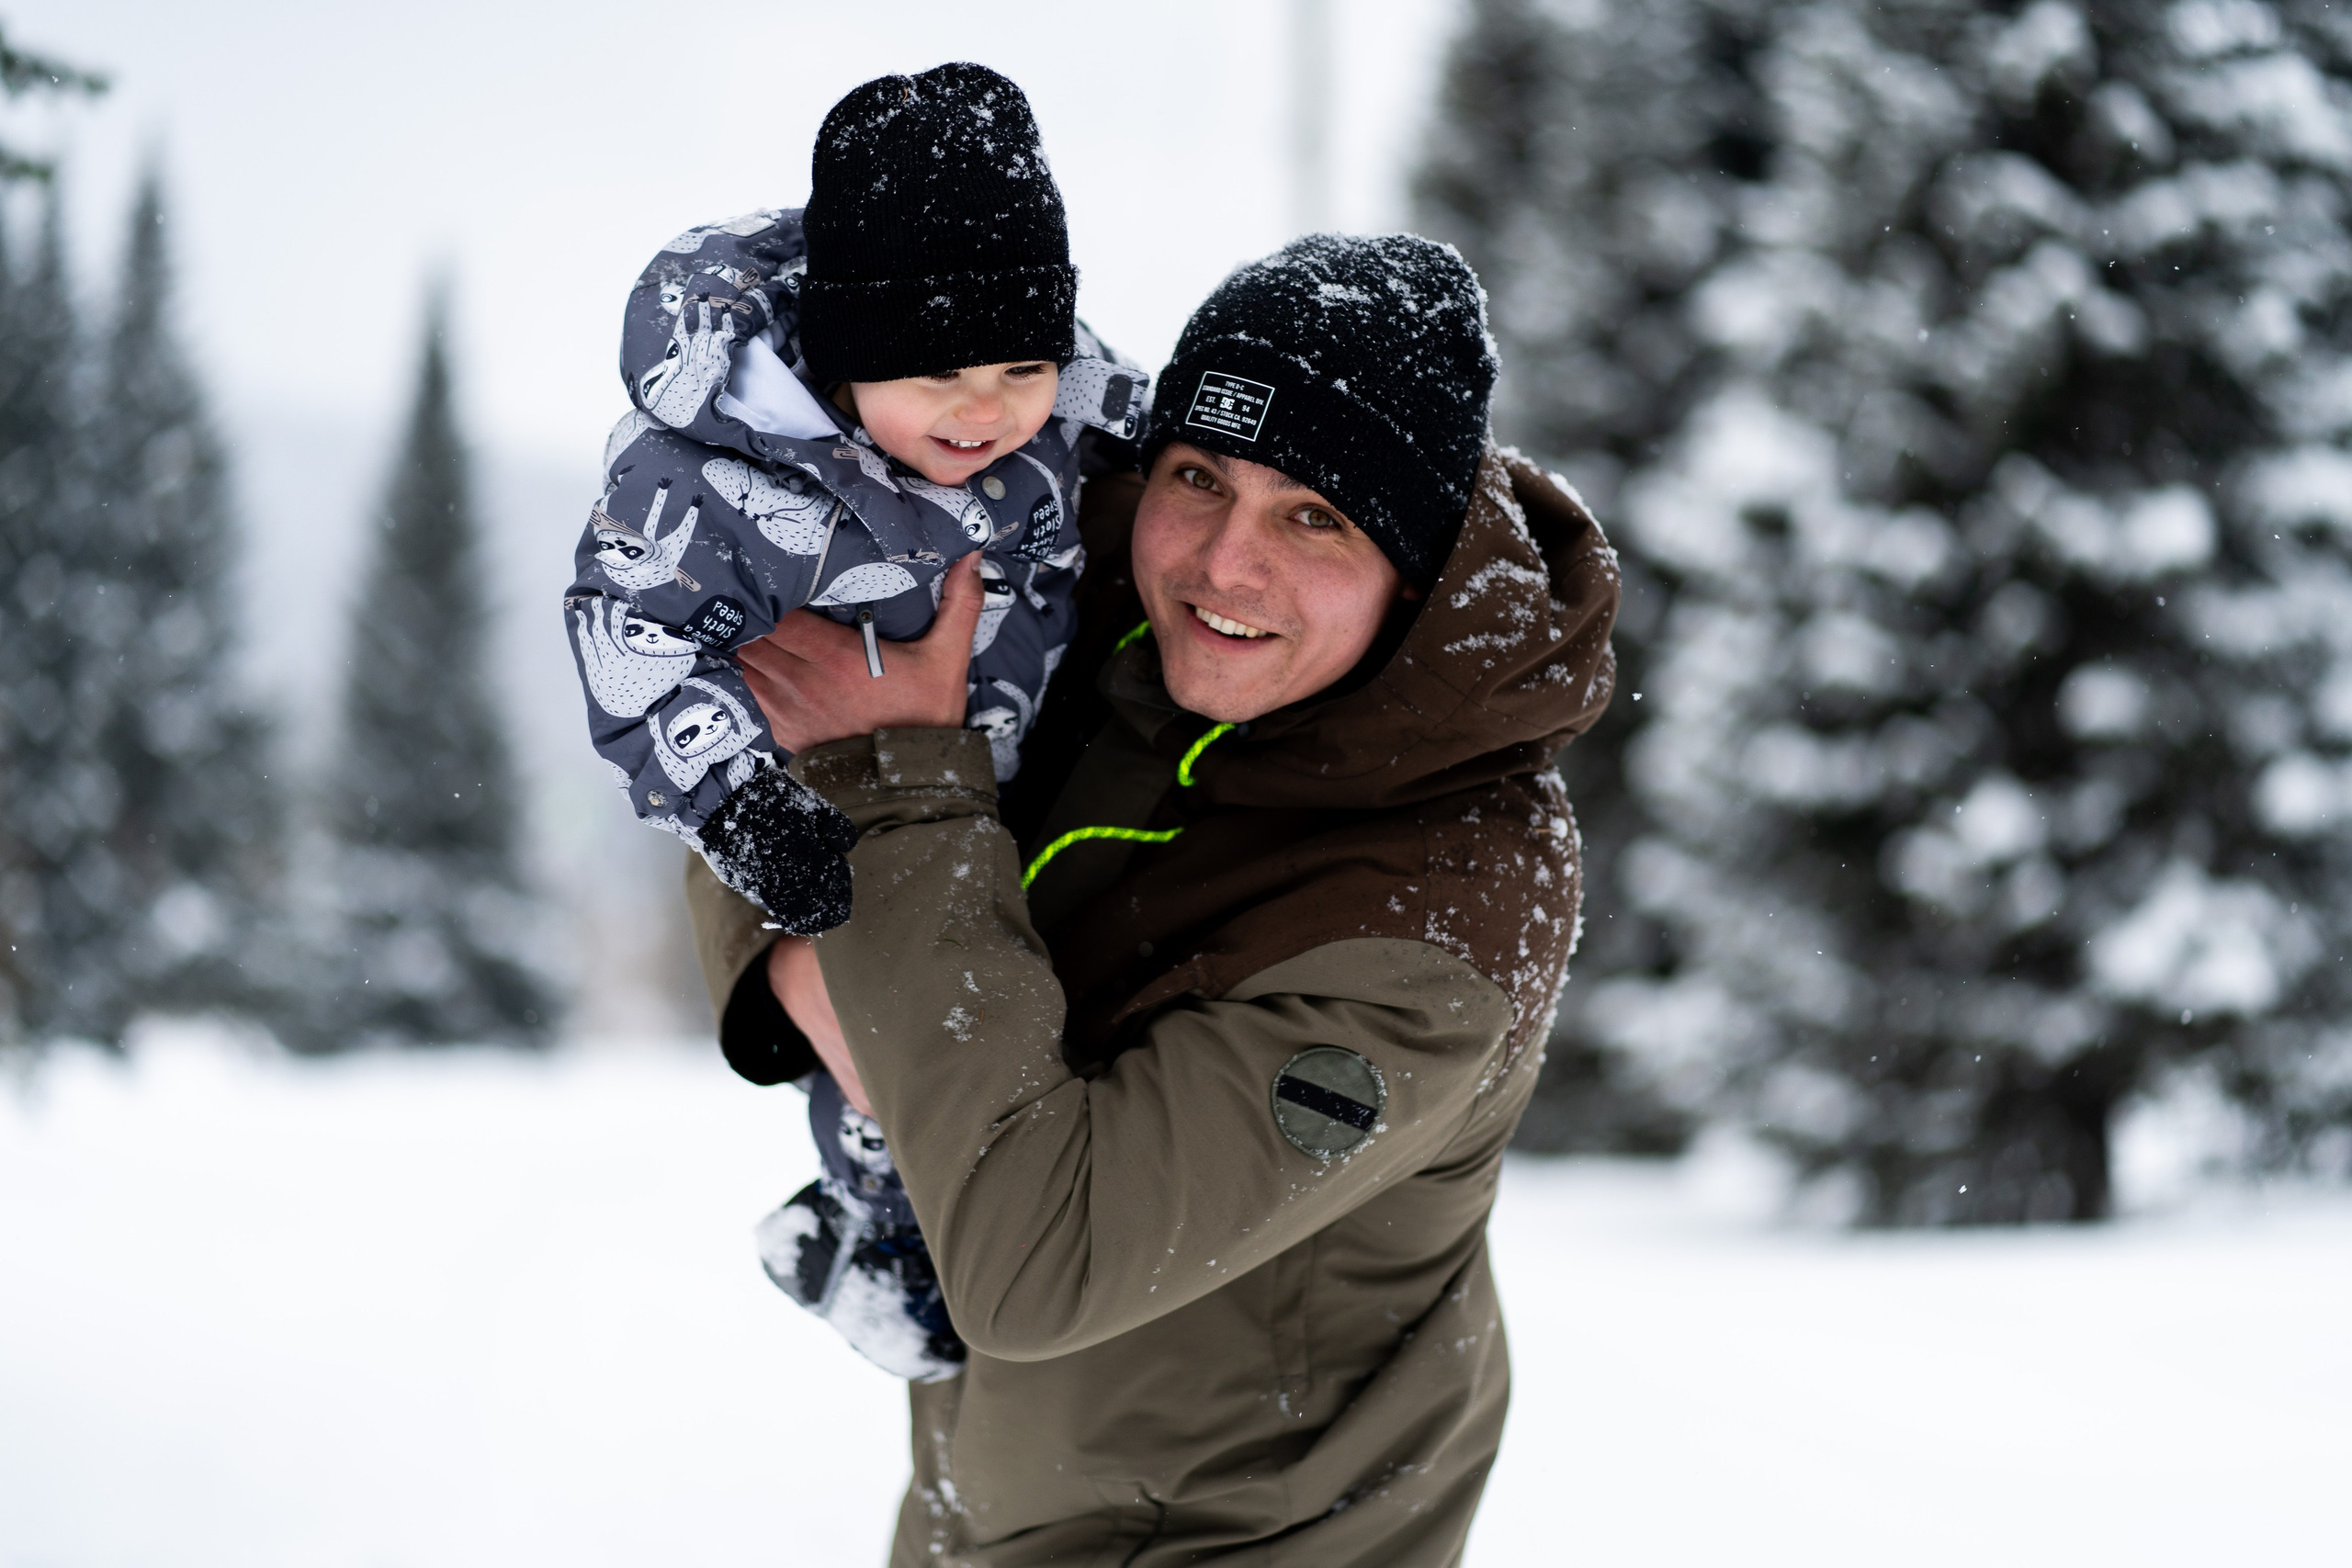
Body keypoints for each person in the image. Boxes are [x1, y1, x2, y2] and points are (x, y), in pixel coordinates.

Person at [692, 232, 1620, 1564]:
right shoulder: (1093, 623)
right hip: (987, 1514)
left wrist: (889, 803)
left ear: (1413, 572)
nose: (1221, 567)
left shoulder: (1443, 914)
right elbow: (752, 728)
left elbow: (1034, 1254)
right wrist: (804, 963)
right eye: (1201, 479)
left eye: (1316, 517)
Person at [564, 63, 1146, 1381]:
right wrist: (741, 805)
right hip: (833, 802)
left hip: (1001, 761)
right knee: (881, 1033)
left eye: (1022, 363)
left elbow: (1147, 424)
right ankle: (884, 1240)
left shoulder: (1056, 411)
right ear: (841, 356)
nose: (987, 410)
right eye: (937, 372)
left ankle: (906, 1230)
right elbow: (632, 642)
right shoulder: (712, 474)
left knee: (1001, 1014)